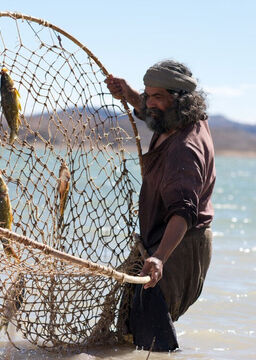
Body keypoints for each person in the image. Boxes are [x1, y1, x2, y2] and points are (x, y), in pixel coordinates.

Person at [105, 60, 215, 351]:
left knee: (152, 336)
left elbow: (183, 212)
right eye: (147, 93)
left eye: (157, 97)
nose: (149, 103)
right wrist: (129, 94)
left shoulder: (184, 148)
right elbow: (150, 113)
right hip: (166, 241)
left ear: (180, 100)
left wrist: (160, 258)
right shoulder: (180, 120)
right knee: (132, 329)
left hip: (179, 245)